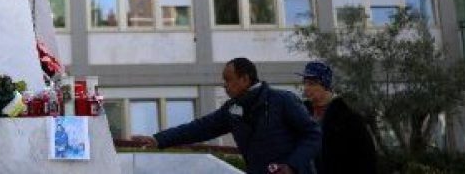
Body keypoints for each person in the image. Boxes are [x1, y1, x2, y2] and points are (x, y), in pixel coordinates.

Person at [130, 57, 321, 174]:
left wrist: (292, 166)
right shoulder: (232, 110)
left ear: (245, 79)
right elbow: (200, 128)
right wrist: (158, 139)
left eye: (228, 80)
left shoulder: (283, 100)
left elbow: (313, 135)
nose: (224, 85)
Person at [298, 61, 377, 174]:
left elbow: (366, 160)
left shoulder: (349, 119)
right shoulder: (299, 113)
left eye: (311, 84)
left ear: (325, 85)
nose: (306, 88)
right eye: (305, 83)